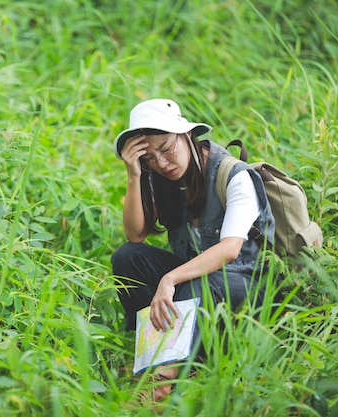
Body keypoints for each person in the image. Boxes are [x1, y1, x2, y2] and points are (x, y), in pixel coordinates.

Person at [111, 98, 275, 403]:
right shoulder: (160, 179)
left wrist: (170, 279)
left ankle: (159, 378)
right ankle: (156, 351)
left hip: (247, 293)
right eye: (150, 158)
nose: (161, 163)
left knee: (205, 281)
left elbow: (229, 250)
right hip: (197, 294)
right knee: (127, 257)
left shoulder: (234, 175)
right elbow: (135, 234)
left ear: (186, 135)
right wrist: (134, 175)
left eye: (166, 149)